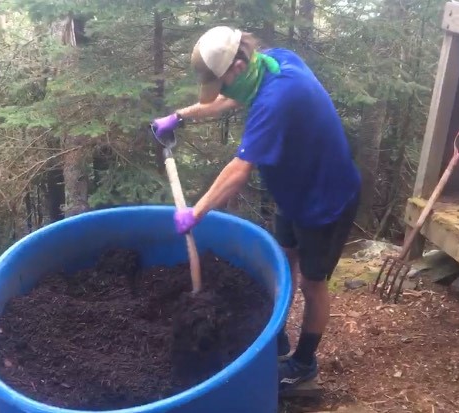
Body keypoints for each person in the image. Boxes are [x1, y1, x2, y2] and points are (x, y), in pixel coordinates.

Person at [151, 26, 361, 394]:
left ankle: (303, 364)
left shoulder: (276, 99)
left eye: (224, 83)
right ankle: (276, 339)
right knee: (285, 259)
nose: (225, 92)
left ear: (238, 65)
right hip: (293, 193)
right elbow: (228, 100)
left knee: (314, 285)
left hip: (325, 200)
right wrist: (180, 117)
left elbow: (239, 171)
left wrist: (195, 213)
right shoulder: (272, 61)